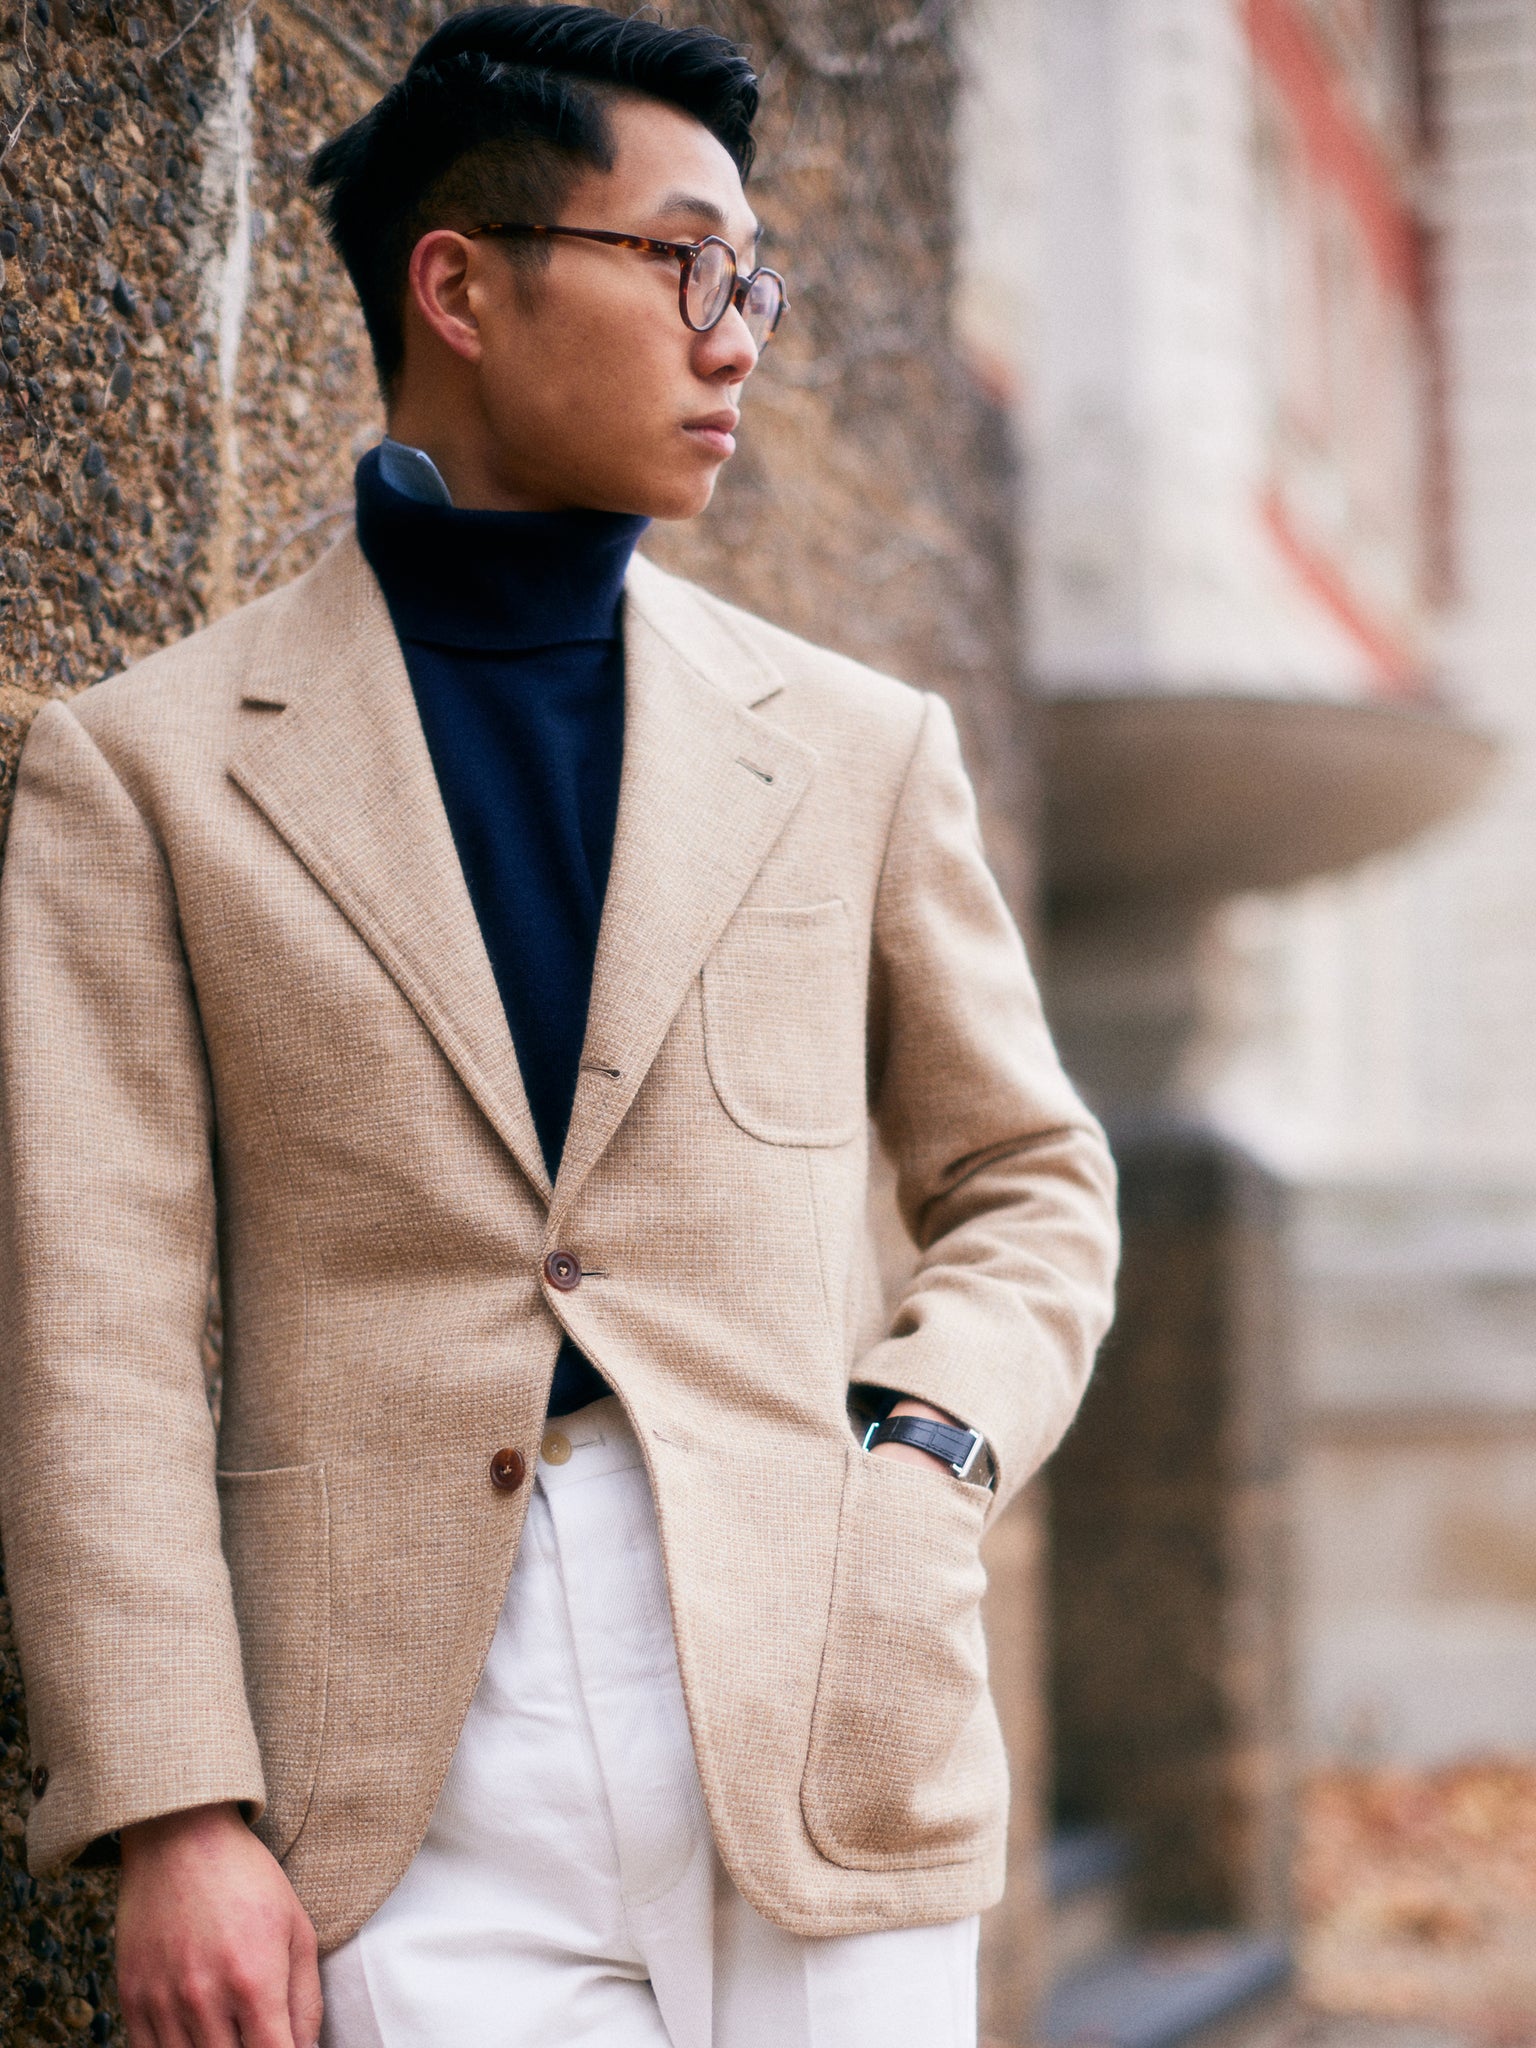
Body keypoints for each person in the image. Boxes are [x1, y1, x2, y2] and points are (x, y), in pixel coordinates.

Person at [0, 9, 1119, 2047]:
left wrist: (926, 1454)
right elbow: (94, 1319)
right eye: (686, 261)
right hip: (399, 1773)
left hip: (823, 1693)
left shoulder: (860, 748)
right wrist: (174, 1802)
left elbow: (1029, 1178)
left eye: (756, 278)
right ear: (462, 283)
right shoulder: (140, 775)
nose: (740, 334)